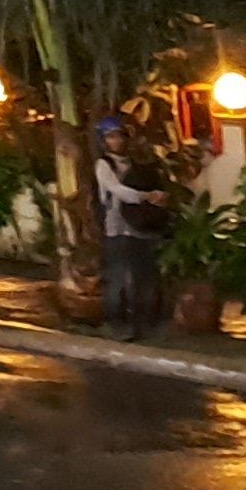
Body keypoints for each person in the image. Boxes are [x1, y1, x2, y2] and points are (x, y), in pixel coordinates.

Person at [93, 119, 164, 339]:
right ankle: (116, 322)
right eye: (111, 137)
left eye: (120, 136)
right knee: (118, 278)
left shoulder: (135, 164)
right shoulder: (104, 165)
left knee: (143, 277)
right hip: (117, 228)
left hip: (139, 227)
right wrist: (146, 196)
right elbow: (117, 190)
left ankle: (144, 322)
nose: (117, 141)